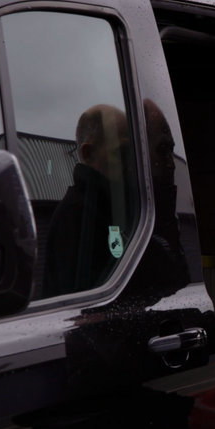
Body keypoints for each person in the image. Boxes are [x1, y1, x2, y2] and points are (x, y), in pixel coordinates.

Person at [43, 104, 130, 298]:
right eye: (122, 153)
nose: (131, 165)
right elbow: (84, 305)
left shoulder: (115, 208)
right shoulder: (79, 215)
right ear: (88, 153)